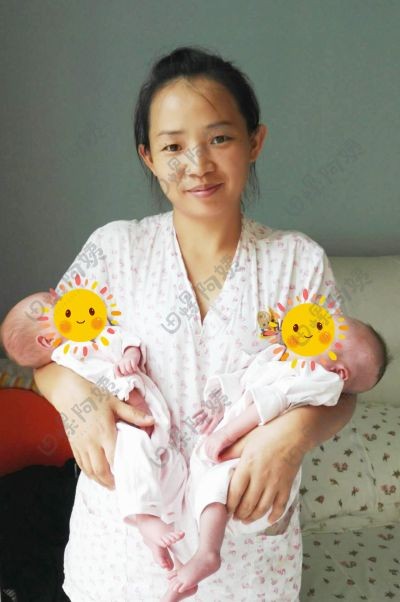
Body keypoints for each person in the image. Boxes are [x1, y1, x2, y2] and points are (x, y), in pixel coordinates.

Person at [23, 45, 367, 600]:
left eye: (220, 138)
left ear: (255, 141)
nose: (198, 164)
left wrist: (293, 436)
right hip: (122, 558)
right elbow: (43, 353)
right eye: (173, 146)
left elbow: (340, 386)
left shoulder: (296, 261)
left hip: (246, 559)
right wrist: (75, 401)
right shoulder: (115, 250)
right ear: (148, 157)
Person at [166, 318, 387, 596]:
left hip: (249, 468)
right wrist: (218, 406)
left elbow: (273, 398)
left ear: (338, 372)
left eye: (325, 335)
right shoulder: (286, 359)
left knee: (213, 487)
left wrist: (226, 434)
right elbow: (246, 380)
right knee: (188, 499)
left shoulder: (319, 381)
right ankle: (184, 573)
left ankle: (208, 553)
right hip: (227, 456)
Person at [0, 291, 188, 571]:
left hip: (152, 414)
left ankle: (180, 552)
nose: (60, 296)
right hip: (122, 427)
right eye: (55, 304)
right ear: (48, 340)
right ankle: (144, 519)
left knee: (175, 479)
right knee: (134, 457)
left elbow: (124, 340)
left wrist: (130, 355)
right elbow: (61, 381)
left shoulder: (96, 333)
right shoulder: (67, 356)